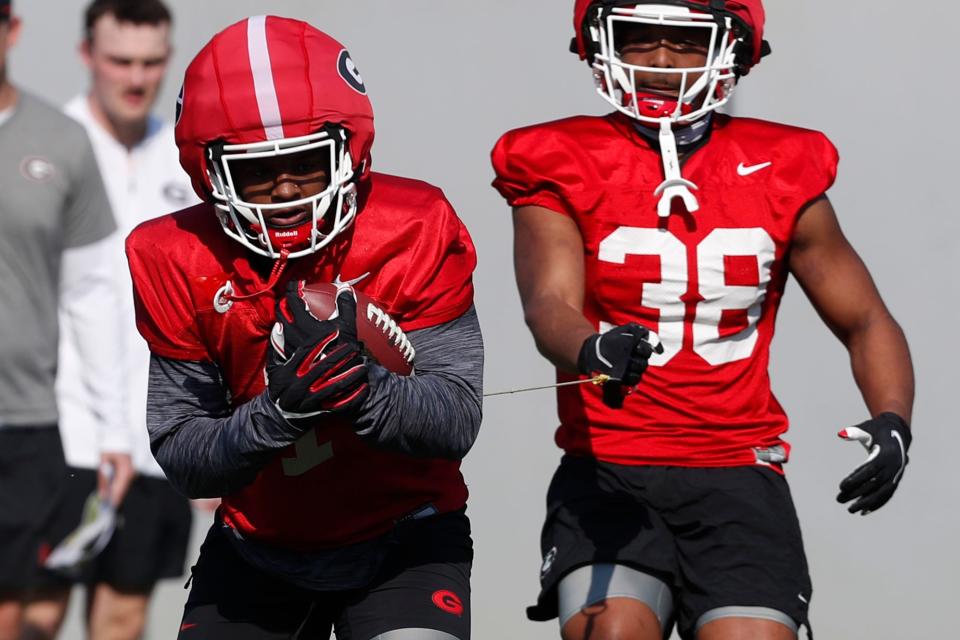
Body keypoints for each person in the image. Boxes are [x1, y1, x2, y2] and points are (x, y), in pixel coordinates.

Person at [490, 2, 914, 639]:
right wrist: (593, 347)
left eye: (685, 43)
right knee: (613, 633)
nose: (660, 63)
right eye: (639, 39)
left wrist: (894, 419)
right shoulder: (558, 157)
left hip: (739, 470)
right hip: (609, 468)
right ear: (598, 43)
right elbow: (548, 306)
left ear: (735, 51)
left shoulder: (784, 164)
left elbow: (866, 319)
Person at [126, 15, 482, 640]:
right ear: (210, 174)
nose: (287, 191)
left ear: (350, 151)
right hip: (259, 546)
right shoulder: (174, 254)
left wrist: (363, 391)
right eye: (257, 173)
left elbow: (455, 418)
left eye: (308, 165)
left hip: (406, 532)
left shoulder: (416, 224)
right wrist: (280, 416)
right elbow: (184, 454)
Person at [24, 1, 197, 638]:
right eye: (120, 60)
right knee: (32, 615)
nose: (136, 77)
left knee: (123, 618)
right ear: (86, 55)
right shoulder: (40, 152)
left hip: (155, 434)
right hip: (54, 432)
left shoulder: (185, 163)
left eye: (152, 62)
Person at [0, 1, 129, 638]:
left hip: (29, 419)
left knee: (27, 611)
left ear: (11, 29)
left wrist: (113, 431)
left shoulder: (59, 141)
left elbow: (91, 296)